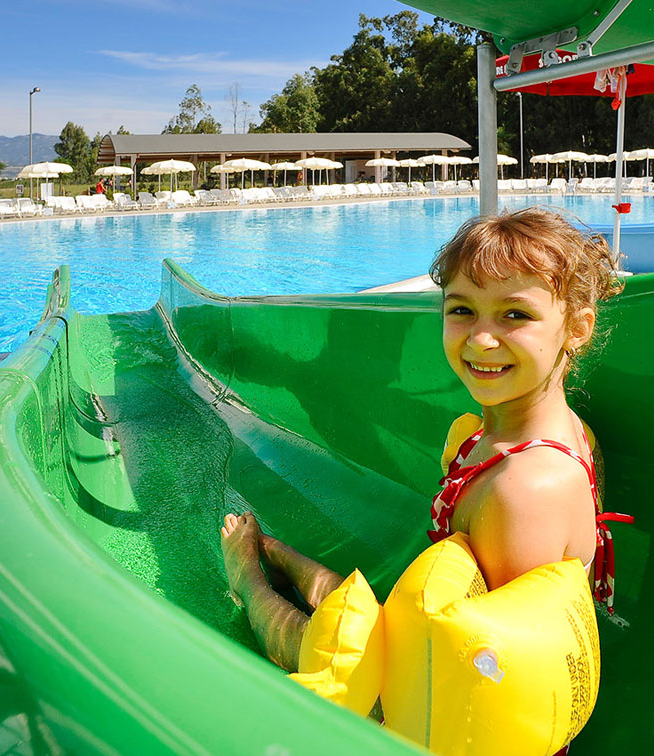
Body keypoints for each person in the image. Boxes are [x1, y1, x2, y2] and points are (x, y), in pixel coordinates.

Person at [220, 207, 627, 674]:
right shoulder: (552, 432)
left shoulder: (523, 493)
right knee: (356, 608)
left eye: (515, 314)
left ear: (577, 328)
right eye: (462, 310)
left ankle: (248, 577)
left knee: (315, 647)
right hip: (439, 635)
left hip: (450, 718)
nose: (481, 338)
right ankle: (277, 553)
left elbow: (490, 672)